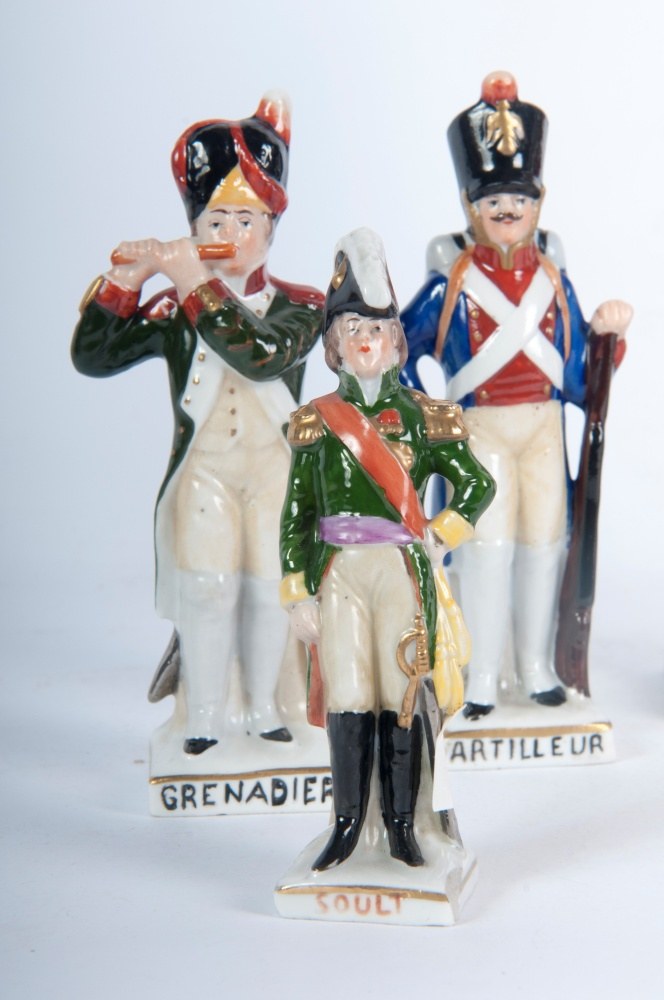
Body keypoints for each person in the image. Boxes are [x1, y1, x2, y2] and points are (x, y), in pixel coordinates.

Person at [72, 93, 323, 755]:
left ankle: (265, 708)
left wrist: (189, 280)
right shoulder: (176, 306)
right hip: (204, 475)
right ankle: (205, 715)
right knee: (209, 591)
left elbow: (259, 355)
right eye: (217, 218)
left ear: (271, 228)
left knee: (269, 589)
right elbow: (94, 357)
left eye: (246, 218)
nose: (231, 233)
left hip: (274, 475)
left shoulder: (303, 307)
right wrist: (124, 282)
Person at [400, 72, 631, 719]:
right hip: (480, 430)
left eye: (519, 199)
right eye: (494, 199)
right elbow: (397, 350)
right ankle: (480, 676)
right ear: (470, 205)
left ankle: (534, 670)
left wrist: (607, 337)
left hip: (542, 427)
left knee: (542, 546)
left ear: (539, 203)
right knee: (486, 547)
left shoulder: (553, 280)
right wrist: (429, 416)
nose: (508, 210)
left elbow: (579, 377)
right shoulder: (450, 283)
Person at [279, 228, 495, 870]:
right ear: (334, 346)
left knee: (400, 692)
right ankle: (349, 824)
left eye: (377, 328)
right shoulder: (317, 422)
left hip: (400, 569)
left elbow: (478, 485)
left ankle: (402, 824)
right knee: (349, 692)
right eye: (352, 329)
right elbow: (297, 514)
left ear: (397, 340)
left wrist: (441, 533)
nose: (366, 340)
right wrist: (296, 591)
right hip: (340, 573)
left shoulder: (426, 416)